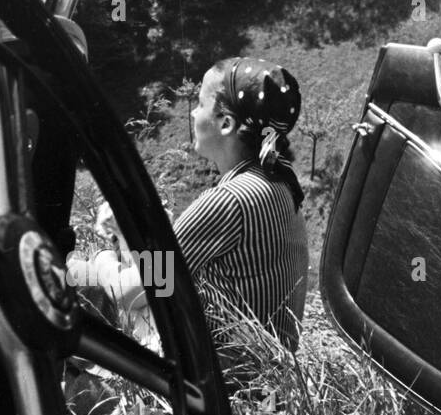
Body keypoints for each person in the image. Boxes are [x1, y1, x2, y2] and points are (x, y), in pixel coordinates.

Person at [73, 57, 309, 370]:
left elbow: (129, 294)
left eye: (200, 103)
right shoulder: (281, 185)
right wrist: (128, 231)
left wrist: (103, 253)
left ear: (226, 123)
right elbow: (160, 278)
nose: (194, 113)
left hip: (220, 376)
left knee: (78, 275)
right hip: (264, 369)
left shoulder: (227, 201)